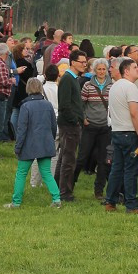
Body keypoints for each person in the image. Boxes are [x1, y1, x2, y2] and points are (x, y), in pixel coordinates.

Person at [5, 78, 61, 209]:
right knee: (46, 173)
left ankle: (16, 202)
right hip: (45, 144)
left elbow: (22, 129)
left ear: (28, 89)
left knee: (21, 173)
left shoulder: (25, 106)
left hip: (28, 145)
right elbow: (53, 126)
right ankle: (56, 198)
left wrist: (18, 147)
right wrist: (50, 141)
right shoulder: (48, 105)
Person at [104, 58, 138, 214]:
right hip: (129, 132)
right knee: (131, 169)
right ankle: (132, 204)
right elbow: (134, 113)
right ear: (126, 71)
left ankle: (110, 201)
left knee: (117, 168)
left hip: (117, 131)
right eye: (135, 67)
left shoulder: (114, 87)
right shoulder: (131, 87)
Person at [74, 57, 111, 200]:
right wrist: (83, 119)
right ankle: (70, 184)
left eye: (103, 69)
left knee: (103, 160)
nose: (101, 72)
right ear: (94, 71)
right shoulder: (88, 85)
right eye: (99, 69)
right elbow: (81, 104)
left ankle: (99, 191)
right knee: (82, 157)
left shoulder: (111, 85)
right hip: (90, 126)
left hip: (105, 127)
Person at [55, 49, 87, 202]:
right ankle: (65, 193)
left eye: (85, 62)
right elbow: (64, 104)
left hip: (72, 123)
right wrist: (74, 120)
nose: (84, 65)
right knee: (69, 159)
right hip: (69, 125)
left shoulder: (73, 78)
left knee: (64, 157)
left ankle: (57, 187)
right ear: (73, 62)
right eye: (82, 62)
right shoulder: (68, 78)